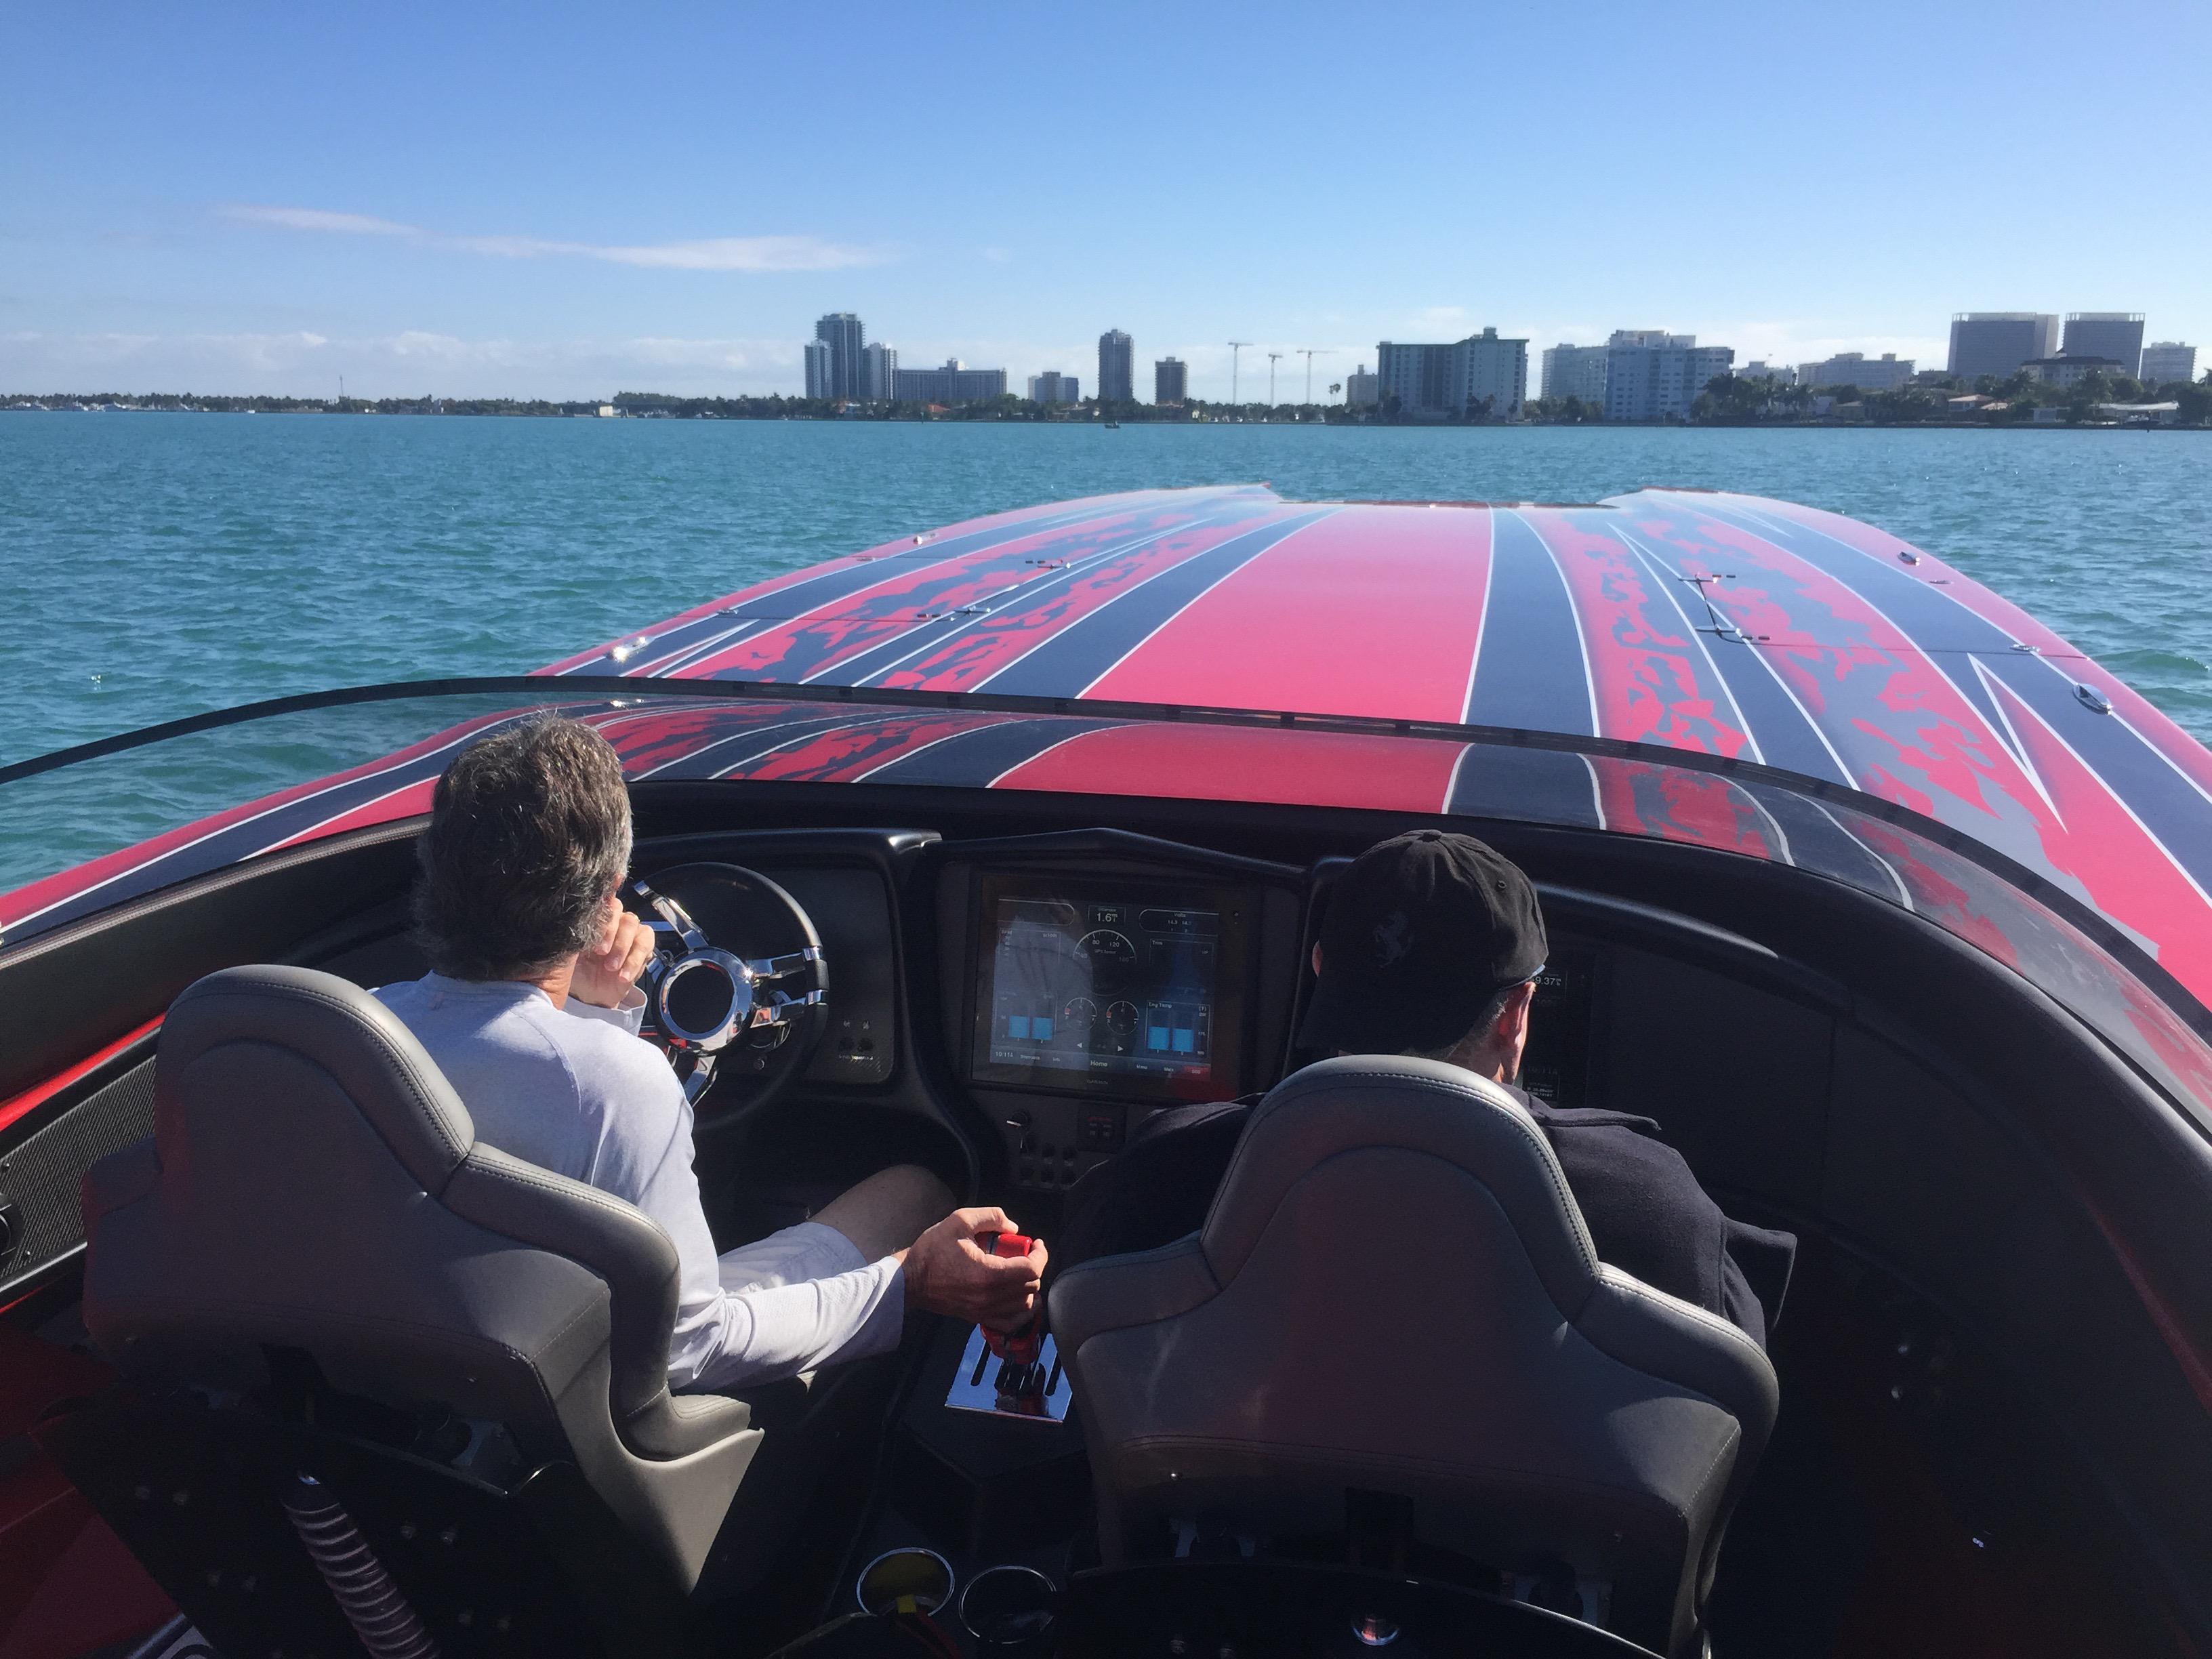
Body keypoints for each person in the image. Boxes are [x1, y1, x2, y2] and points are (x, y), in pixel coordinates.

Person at [375, 716, 1046, 1392]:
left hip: (421, 1374)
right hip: (603, 1413)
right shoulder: (614, 1081)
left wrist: (600, 1008)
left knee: (905, 1195)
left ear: (437, 875)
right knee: (918, 1189)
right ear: (608, 895)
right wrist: (909, 1284)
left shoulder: (355, 1023)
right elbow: (688, 1350)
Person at [1054, 830, 1795, 1348]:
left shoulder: (1159, 1173)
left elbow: (1072, 1327)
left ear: (1320, 970)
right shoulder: (1655, 1207)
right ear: (1517, 1011)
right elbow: (1727, 1397)